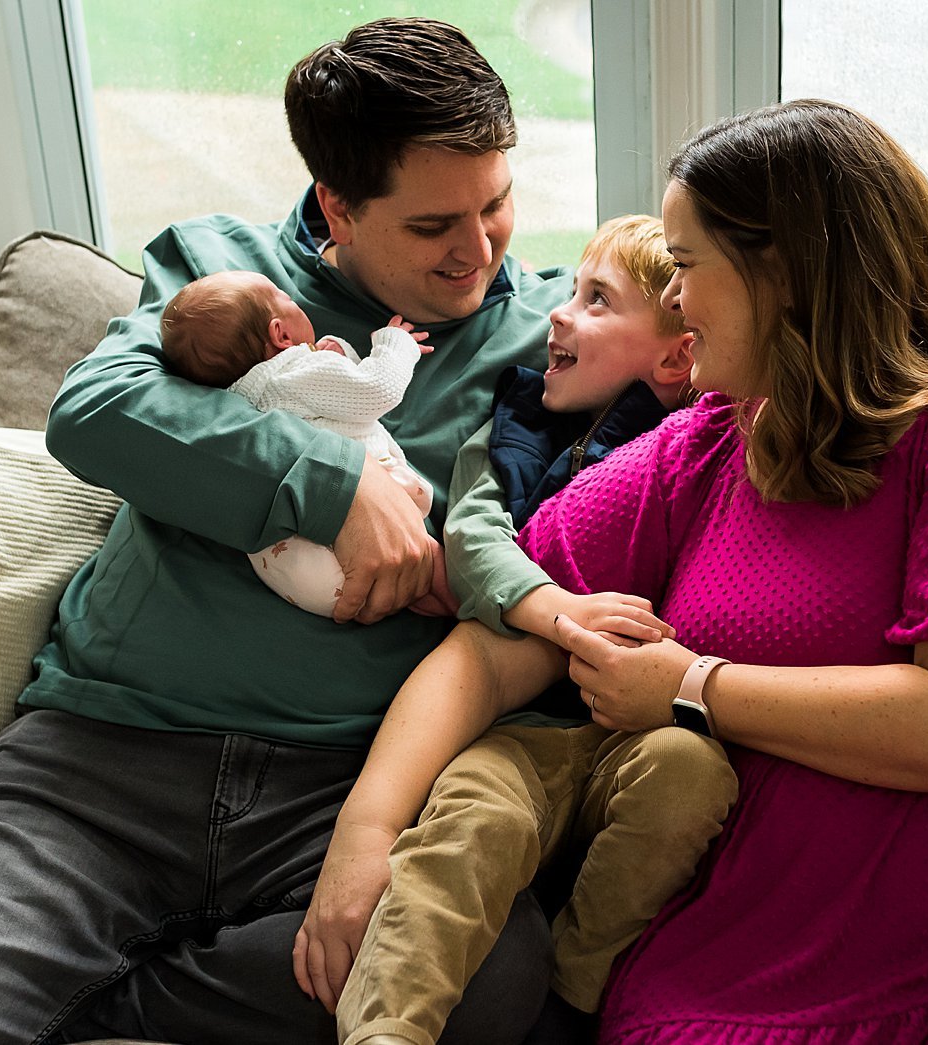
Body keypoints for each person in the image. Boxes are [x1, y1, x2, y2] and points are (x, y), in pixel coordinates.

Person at [334, 99, 928, 1044]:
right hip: (725, 984)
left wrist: (691, 688)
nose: (679, 300)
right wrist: (366, 835)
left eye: (688, 266)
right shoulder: (701, 449)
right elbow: (493, 649)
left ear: (783, 272)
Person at [0, 19, 568, 1045]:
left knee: (488, 983)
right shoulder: (222, 269)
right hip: (100, 768)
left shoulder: (553, 338)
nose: (478, 250)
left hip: (349, 781)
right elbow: (100, 411)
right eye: (436, 224)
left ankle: (95, 1007)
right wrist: (333, 485)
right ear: (336, 208)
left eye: (496, 204)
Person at [298, 214, 741, 1045]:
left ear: (677, 356)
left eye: (596, 301)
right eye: (570, 292)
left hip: (632, 732)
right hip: (516, 735)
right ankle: (387, 1031)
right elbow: (468, 541)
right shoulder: (514, 429)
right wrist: (554, 609)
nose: (559, 316)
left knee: (690, 771)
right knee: (471, 831)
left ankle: (572, 998)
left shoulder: (700, 438)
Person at [159, 270, 445, 617]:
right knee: (436, 562)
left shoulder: (245, 397)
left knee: (411, 582)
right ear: (280, 334)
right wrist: (395, 345)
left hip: (288, 564)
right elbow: (374, 391)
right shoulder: (294, 372)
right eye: (288, 298)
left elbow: (334, 408)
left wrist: (339, 356)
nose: (295, 300)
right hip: (359, 524)